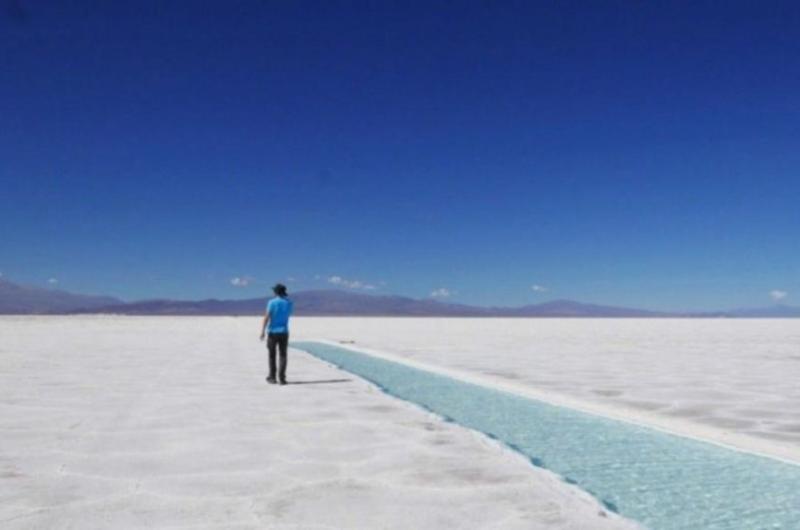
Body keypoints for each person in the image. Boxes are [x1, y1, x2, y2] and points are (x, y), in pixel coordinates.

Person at [259, 283, 293, 385]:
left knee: (272, 355)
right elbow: (288, 315)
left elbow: (267, 317)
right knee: (283, 355)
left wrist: (262, 331)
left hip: (273, 332)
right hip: (284, 332)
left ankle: (272, 377)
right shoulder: (289, 303)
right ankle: (282, 379)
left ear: (275, 292)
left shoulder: (272, 302)